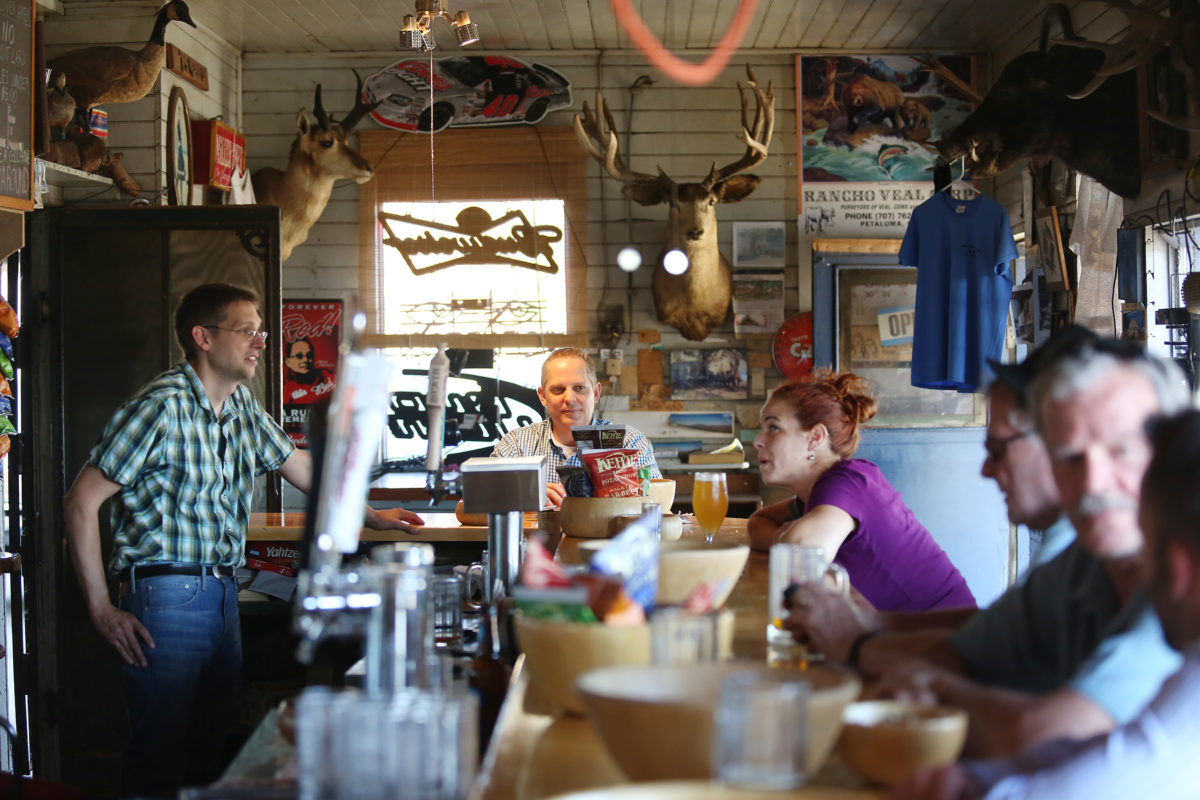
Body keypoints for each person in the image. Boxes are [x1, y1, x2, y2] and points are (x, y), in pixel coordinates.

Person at [61, 283, 425, 797]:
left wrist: (370, 515)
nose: (260, 342)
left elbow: (300, 465)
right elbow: (81, 501)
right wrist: (100, 609)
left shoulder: (241, 407)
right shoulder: (159, 407)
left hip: (222, 593)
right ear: (203, 337)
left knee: (210, 752)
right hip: (165, 597)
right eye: (248, 330)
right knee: (158, 756)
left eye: (262, 331)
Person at [787, 330, 1188, 757]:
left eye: (1121, 450)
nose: (1093, 479)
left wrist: (864, 645)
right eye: (1069, 455)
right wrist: (871, 638)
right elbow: (973, 649)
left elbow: (1037, 733)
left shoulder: (1178, 586)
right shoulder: (1083, 562)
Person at [890, 411, 1200, 800]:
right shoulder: (1079, 564)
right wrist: (979, 780)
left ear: (1180, 566)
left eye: (1147, 548)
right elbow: (1107, 749)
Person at [747, 369, 975, 612]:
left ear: (815, 437)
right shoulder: (815, 496)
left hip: (946, 640)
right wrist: (781, 538)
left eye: (773, 427)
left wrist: (787, 539)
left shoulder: (849, 483)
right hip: (901, 637)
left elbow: (802, 552)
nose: (758, 440)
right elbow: (759, 522)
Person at [490, 347, 660, 508]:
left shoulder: (629, 442)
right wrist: (525, 496)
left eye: (579, 388)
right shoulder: (518, 445)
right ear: (542, 396)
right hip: (537, 539)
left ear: (595, 393)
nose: (570, 398)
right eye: (558, 389)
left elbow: (659, 507)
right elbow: (467, 508)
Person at [283, 336, 335, 405]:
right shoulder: (284, 389)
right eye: (299, 356)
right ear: (288, 361)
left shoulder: (327, 376)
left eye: (309, 355)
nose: (305, 360)